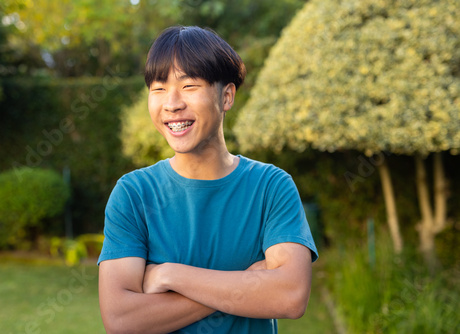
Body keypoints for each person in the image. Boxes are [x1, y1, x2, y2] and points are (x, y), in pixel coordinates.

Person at [97, 25, 318, 334]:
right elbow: (122, 320)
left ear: (226, 96)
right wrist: (247, 281)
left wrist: (171, 276)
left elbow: (290, 296)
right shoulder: (133, 194)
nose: (171, 103)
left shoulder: (271, 186)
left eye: (189, 86)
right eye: (158, 88)